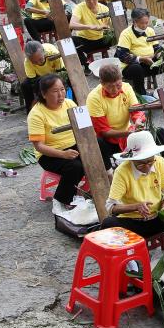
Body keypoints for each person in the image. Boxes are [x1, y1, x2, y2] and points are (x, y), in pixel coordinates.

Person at [102, 131, 164, 242]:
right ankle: (131, 257)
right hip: (135, 224)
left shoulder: (159, 162)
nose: (146, 167)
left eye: (150, 161)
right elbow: (111, 207)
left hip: (158, 219)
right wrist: (136, 207)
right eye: (140, 163)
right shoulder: (122, 171)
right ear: (131, 160)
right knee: (108, 223)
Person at [27, 73, 83, 217]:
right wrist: (63, 154)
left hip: (73, 145)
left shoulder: (70, 104)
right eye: (55, 91)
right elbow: (39, 146)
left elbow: (83, 127)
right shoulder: (36, 114)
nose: (61, 95)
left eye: (62, 89)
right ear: (44, 94)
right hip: (49, 154)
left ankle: (107, 181)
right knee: (75, 167)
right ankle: (61, 200)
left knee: (101, 146)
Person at [87, 63, 144, 166]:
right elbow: (103, 131)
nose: (115, 90)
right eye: (110, 86)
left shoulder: (127, 88)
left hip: (127, 133)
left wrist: (138, 121)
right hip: (108, 140)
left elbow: (137, 110)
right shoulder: (94, 98)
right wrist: (128, 133)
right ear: (101, 83)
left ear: (121, 79)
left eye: (118, 85)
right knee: (100, 142)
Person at [115, 8, 162, 96]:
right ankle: (142, 94)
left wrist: (160, 55)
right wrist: (141, 59)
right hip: (132, 67)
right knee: (137, 68)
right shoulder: (126, 34)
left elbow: (156, 47)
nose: (144, 26)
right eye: (142, 23)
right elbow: (122, 55)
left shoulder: (150, 30)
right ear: (134, 22)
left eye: (146, 23)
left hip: (150, 64)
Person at [69, 0, 111, 65]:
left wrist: (106, 27)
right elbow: (72, 25)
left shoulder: (105, 8)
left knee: (120, 35)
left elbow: (109, 26)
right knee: (70, 41)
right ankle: (85, 63)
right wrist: (90, 27)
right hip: (86, 41)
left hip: (101, 39)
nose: (91, 1)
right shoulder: (79, 8)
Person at [22, 40, 64, 109]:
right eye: (34, 62)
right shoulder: (27, 62)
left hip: (54, 74)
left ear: (44, 53)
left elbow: (61, 72)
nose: (39, 63)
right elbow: (33, 81)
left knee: (69, 80)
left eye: (41, 59)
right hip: (40, 77)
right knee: (25, 85)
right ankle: (31, 110)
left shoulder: (53, 53)